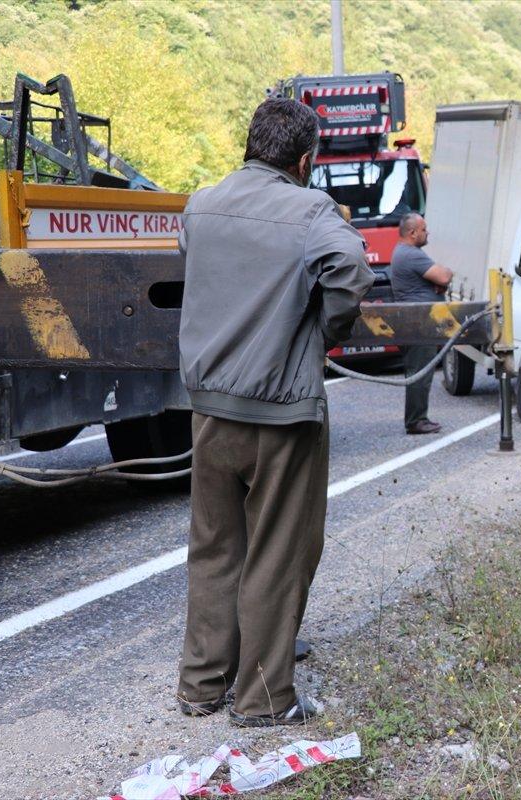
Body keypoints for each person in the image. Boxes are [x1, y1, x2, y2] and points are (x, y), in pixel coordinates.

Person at [177, 98, 373, 726]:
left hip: (209, 410)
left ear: (250, 143)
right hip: (281, 412)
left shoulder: (200, 205)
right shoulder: (312, 210)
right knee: (277, 553)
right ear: (306, 158)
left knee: (213, 549)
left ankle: (201, 686)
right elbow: (350, 270)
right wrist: (324, 329)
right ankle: (264, 699)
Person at [391, 212, 454, 435]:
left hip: (416, 322)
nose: (427, 233)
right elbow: (444, 276)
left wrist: (438, 283)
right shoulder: (410, 254)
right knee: (420, 371)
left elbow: (438, 280)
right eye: (424, 229)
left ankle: (417, 418)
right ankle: (416, 420)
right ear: (412, 232)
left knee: (419, 370)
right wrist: (444, 278)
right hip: (418, 324)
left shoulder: (406, 253)